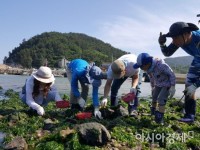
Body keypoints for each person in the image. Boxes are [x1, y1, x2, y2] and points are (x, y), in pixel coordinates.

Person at [158, 21, 200, 122]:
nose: (174, 41)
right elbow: (167, 53)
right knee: (188, 83)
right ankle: (189, 116)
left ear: (186, 34)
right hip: (198, 58)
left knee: (192, 85)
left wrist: (195, 85)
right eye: (172, 38)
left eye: (175, 38)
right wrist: (162, 44)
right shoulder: (180, 40)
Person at [134, 53, 176, 124]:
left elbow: (171, 74)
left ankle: (160, 118)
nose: (141, 68)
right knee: (154, 96)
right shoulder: (149, 69)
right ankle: (153, 113)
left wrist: (173, 86)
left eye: (141, 67)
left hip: (167, 84)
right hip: (158, 84)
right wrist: (152, 87)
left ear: (147, 63)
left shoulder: (161, 65)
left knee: (161, 99)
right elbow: (151, 78)